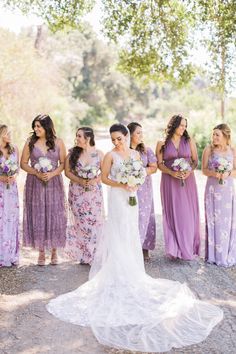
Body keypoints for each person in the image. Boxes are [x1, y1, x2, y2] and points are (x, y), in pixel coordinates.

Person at [47, 123, 223, 353]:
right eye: (113, 139)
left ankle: (133, 270)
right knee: (118, 232)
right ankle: (117, 270)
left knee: (131, 233)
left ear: (126, 136)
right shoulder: (109, 156)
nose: (116, 142)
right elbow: (104, 179)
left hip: (131, 198)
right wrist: (122, 183)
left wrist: (135, 182)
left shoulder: (134, 154)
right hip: (118, 199)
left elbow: (141, 173)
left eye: (119, 138)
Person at [21, 114, 67, 266]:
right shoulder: (30, 142)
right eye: (34, 126)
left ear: (47, 127)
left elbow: (63, 164)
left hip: (54, 183)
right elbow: (23, 163)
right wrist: (36, 172)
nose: (35, 129)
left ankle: (54, 251)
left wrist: (52, 174)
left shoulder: (58, 142)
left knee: (54, 213)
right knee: (38, 213)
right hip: (35, 183)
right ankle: (41, 252)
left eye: (38, 126)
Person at [156, 114, 200, 260]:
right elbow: (160, 164)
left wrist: (189, 171)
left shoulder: (189, 141)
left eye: (185, 126)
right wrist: (170, 172)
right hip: (169, 182)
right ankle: (174, 249)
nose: (183, 128)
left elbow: (195, 161)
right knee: (172, 213)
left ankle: (187, 247)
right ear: (173, 125)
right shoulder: (161, 143)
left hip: (187, 182)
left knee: (187, 214)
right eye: (181, 125)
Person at [64, 127, 104, 265]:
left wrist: (94, 180)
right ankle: (84, 254)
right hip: (77, 193)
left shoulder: (99, 154)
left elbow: (104, 173)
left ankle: (94, 253)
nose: (77, 139)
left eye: (79, 136)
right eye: (76, 136)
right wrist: (80, 180)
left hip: (94, 194)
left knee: (94, 221)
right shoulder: (73, 154)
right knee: (80, 222)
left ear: (88, 138)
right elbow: (67, 172)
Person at [202, 123, 236, 267]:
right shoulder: (208, 150)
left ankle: (226, 254)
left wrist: (228, 173)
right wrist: (214, 173)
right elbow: (203, 170)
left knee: (227, 222)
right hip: (212, 189)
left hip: (227, 190)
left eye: (217, 135)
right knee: (213, 221)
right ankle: (213, 255)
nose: (214, 137)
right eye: (213, 134)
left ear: (225, 136)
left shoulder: (233, 150)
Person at [127, 122, 157, 261]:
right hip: (128, 188)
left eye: (141, 132)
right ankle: (129, 247)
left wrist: (141, 171)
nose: (141, 135)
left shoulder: (146, 150)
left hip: (144, 189)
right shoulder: (123, 151)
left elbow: (154, 167)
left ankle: (144, 248)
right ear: (130, 134)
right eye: (138, 132)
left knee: (144, 216)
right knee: (130, 216)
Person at [0, 125, 19, 267]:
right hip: (0, 188)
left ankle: (11, 254)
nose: (10, 134)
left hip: (11, 189)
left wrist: (14, 176)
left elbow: (17, 169)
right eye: (7, 132)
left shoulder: (14, 149)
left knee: (11, 219)